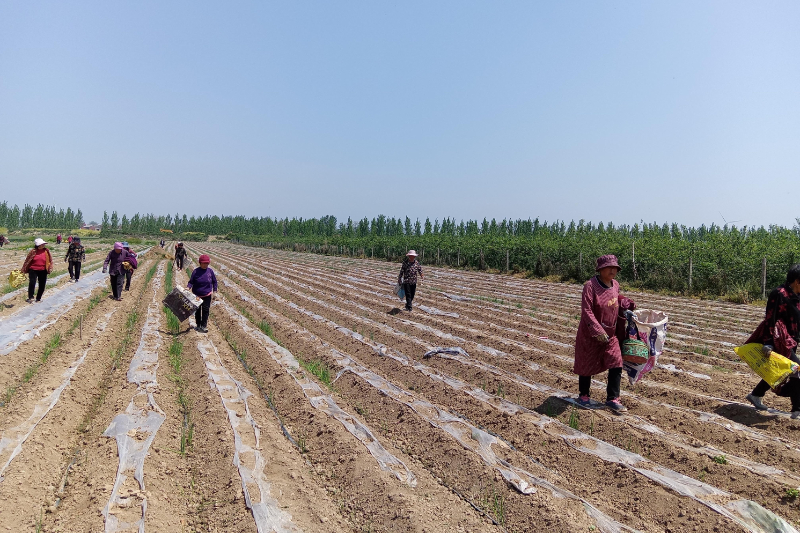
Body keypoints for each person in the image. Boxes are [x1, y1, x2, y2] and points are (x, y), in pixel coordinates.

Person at [573, 254, 634, 413]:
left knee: (616, 362)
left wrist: (625, 303)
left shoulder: (615, 285)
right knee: (586, 363)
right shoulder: (590, 286)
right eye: (609, 267)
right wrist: (596, 329)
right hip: (590, 334)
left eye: (615, 268)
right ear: (600, 269)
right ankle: (584, 395)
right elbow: (586, 310)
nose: (613, 270)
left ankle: (613, 398)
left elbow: (615, 299)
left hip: (611, 333)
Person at [745, 264, 800, 418]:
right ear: (797, 281)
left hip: (793, 341)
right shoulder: (779, 293)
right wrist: (769, 342)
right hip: (779, 341)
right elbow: (771, 318)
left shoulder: (798, 296)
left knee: (783, 372)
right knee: (796, 370)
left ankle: (756, 394)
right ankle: (797, 409)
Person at [187, 254, 217, 333]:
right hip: (197, 295)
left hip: (207, 295)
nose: (205, 265)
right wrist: (188, 287)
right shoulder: (196, 271)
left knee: (205, 310)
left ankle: (204, 326)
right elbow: (191, 282)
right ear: (200, 263)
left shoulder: (210, 271)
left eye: (207, 263)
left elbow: (214, 282)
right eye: (203, 263)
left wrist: (215, 291)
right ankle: (198, 325)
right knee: (197, 310)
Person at [21, 238, 53, 303]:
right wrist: (23, 269)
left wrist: (50, 267)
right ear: (38, 245)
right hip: (33, 269)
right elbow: (27, 260)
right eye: (42, 244)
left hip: (43, 270)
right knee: (32, 283)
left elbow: (50, 260)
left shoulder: (46, 251)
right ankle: (31, 297)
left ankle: (38, 298)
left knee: (42, 284)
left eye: (43, 244)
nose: (43, 245)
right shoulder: (33, 251)